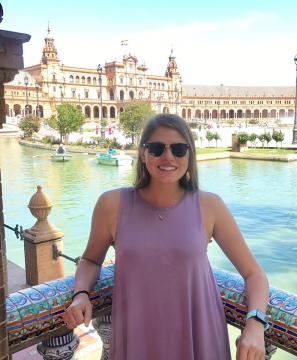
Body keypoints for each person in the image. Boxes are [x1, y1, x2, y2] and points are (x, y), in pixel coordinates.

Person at [63, 114, 269, 360]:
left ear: (189, 155)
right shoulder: (112, 204)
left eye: (179, 149)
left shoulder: (210, 206)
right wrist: (81, 293)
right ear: (142, 153)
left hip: (199, 336)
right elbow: (90, 261)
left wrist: (255, 323)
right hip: (137, 335)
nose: (168, 157)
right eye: (157, 148)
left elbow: (254, 274)